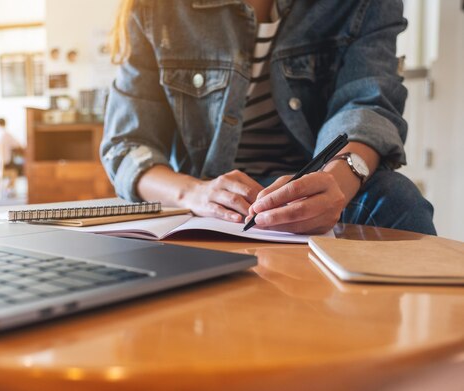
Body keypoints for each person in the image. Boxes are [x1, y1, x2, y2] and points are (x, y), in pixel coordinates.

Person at [100, 0, 436, 235]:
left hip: (318, 184)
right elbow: (127, 146)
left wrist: (336, 181)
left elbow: (368, 101)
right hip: (205, 196)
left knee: (398, 201)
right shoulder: (154, 7)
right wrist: (194, 194)